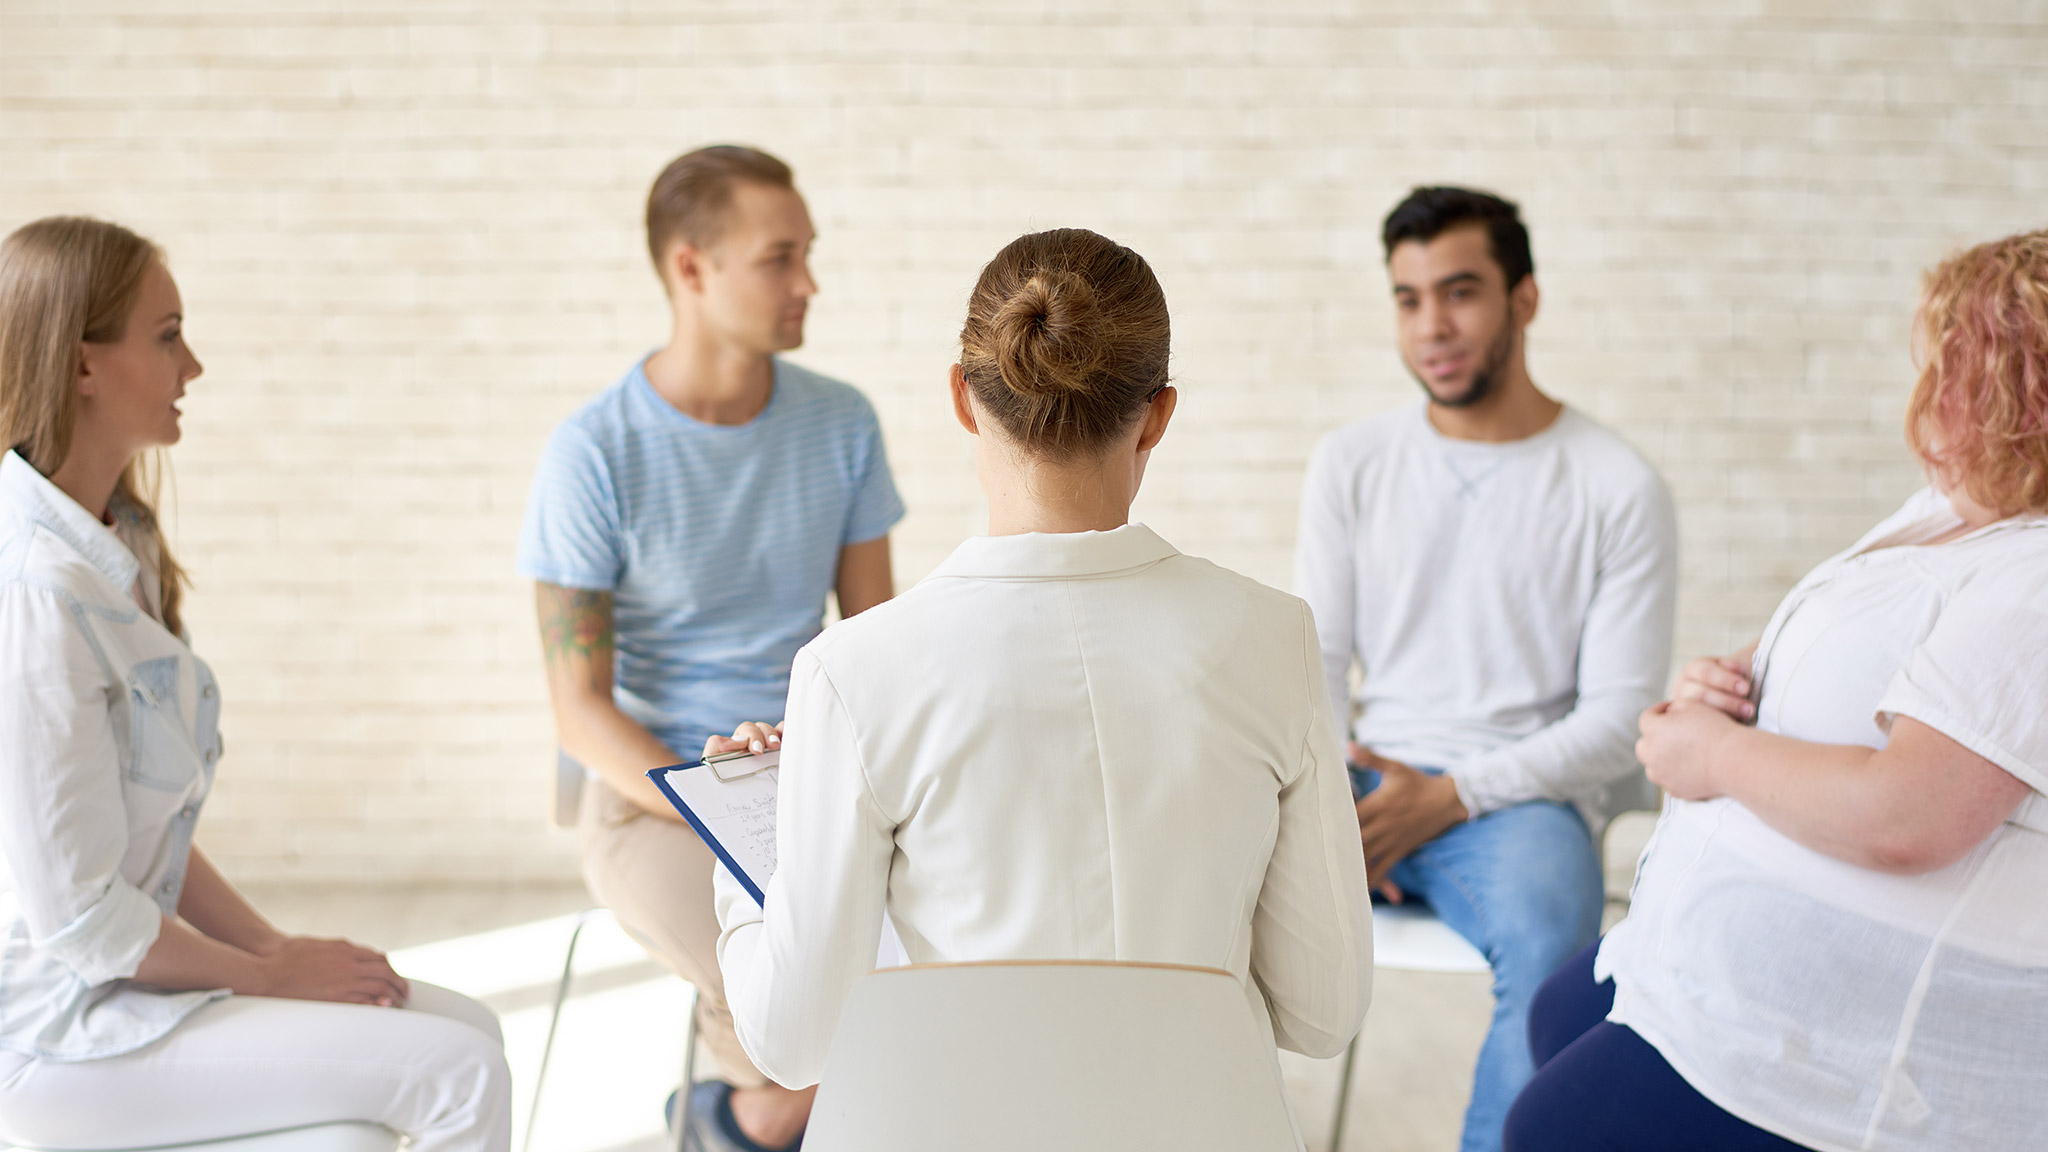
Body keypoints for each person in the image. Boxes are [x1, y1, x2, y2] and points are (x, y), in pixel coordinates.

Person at [706, 227, 1373, 1100]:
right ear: (1159, 415)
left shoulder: (854, 670)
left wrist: (747, 856)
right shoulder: (1274, 637)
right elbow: (1324, 1012)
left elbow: (794, 1047)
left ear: (962, 396)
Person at [1505, 229, 2048, 1151]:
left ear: (2007, 388)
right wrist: (1720, 687)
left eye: (1942, 367)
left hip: (1856, 1043)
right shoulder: (1953, 509)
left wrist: (1712, 754)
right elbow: (1825, 644)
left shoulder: (2035, 579)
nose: (1919, 397)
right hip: (1717, 939)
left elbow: (1909, 817)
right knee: (1560, 1014)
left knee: (1549, 1128)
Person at [0, 217, 509, 1149]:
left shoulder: (118, 542)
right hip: (58, 1037)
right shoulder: (35, 595)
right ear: (82, 366)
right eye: (166, 336)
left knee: (470, 1028)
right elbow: (81, 921)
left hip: (126, 991)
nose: (191, 366)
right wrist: (266, 976)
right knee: (457, 1074)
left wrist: (270, 946)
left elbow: (140, 837)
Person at [519, 145, 902, 1152]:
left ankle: (731, 1118)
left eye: (807, 255)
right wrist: (712, 793)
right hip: (651, 797)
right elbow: (578, 711)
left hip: (808, 776)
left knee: (937, 979)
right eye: (781, 258)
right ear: (690, 269)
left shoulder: (840, 425)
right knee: (794, 1014)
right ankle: (743, 1117)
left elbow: (871, 650)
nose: (807, 283)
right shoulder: (591, 454)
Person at [1293, 186, 1677, 1152]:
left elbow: (1616, 721)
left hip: (1517, 804)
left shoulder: (1615, 485)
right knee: (1176, 878)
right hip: (1364, 777)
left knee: (1557, 954)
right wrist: (1323, 803)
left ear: (1525, 299)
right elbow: (1315, 665)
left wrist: (1453, 796)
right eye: (1409, 298)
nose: (1433, 327)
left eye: (1459, 292)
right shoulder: (1353, 463)